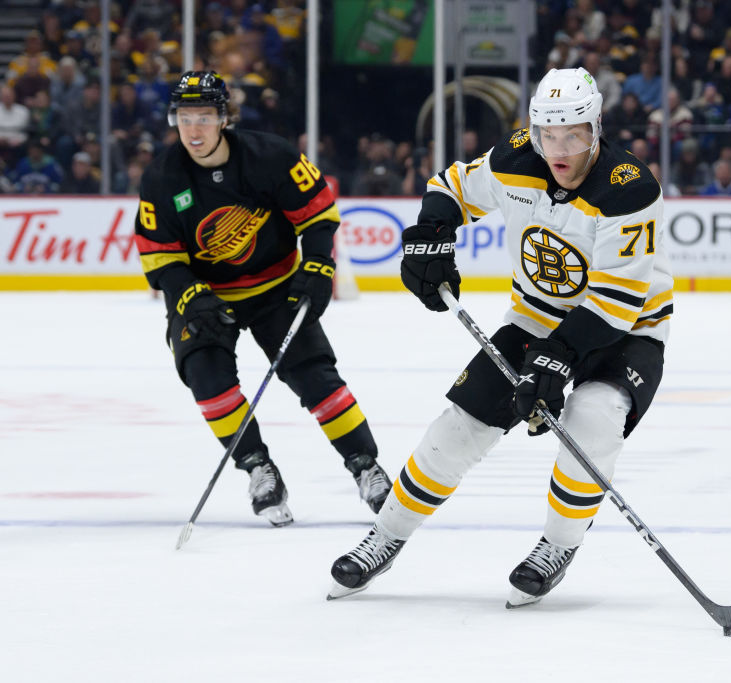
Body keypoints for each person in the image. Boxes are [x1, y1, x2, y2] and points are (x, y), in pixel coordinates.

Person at [328, 67, 672, 607]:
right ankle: (386, 535)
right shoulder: (515, 160)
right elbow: (452, 186)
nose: (559, 150)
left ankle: (557, 546)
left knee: (594, 416)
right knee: (461, 424)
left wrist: (554, 365)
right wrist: (431, 236)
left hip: (627, 329)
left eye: (574, 135)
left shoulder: (629, 189)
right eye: (546, 135)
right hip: (537, 317)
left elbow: (614, 302)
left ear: (596, 128)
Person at [133, 72, 392, 526]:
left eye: (204, 117)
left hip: (276, 290)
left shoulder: (270, 156)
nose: (194, 130)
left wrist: (317, 265)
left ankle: (366, 466)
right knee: (206, 378)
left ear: (224, 118)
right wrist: (191, 298)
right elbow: (159, 256)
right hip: (207, 297)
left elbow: (318, 214)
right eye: (185, 118)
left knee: (316, 378)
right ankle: (258, 467)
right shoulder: (161, 178)